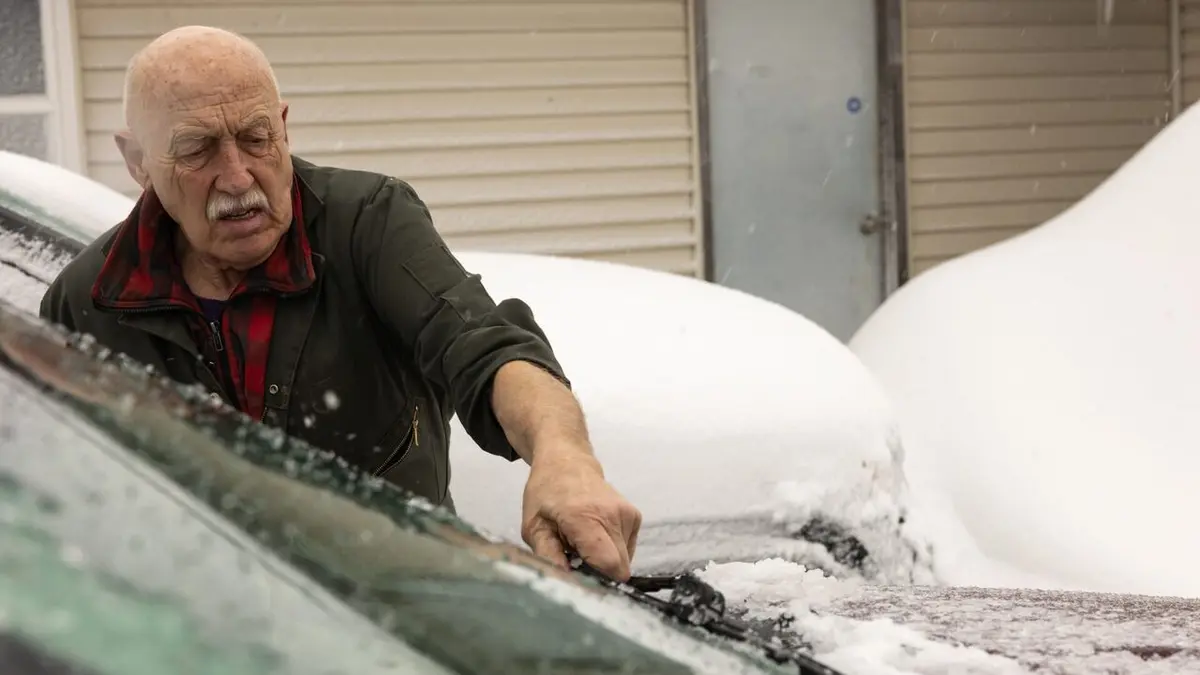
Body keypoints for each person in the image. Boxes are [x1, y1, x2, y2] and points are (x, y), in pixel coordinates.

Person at [39, 25, 641, 581]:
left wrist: (565, 459)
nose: (237, 176)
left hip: (393, 612)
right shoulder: (87, 302)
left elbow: (482, 345)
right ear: (138, 162)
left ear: (283, 126)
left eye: (256, 137)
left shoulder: (367, 224)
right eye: (197, 150)